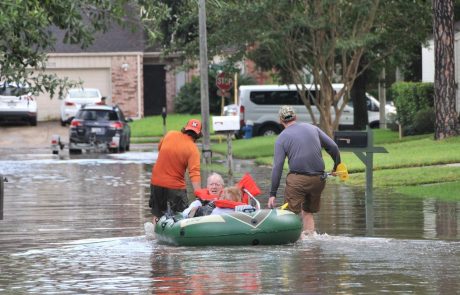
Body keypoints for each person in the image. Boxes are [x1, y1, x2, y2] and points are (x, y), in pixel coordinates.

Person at [268, 105, 341, 236]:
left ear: (280, 120)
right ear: (295, 117)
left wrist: (272, 193)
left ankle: (293, 242)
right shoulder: (313, 128)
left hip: (298, 180)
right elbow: (333, 147)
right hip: (319, 179)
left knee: (289, 214)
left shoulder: (282, 138)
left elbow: (277, 167)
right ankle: (310, 244)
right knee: (307, 212)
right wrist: (337, 166)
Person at [149, 119, 202, 223]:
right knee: (182, 216)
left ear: (185, 129)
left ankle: (155, 236)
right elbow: (194, 174)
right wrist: (200, 196)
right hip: (175, 187)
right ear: (198, 134)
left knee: (157, 214)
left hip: (156, 182)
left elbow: (160, 148)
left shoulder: (170, 134)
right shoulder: (193, 149)